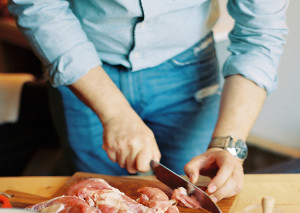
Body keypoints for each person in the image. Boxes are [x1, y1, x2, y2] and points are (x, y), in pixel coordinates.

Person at [8, 0, 288, 202]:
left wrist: (230, 144)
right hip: (84, 66)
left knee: (189, 196)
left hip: (189, 67)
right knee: (94, 196)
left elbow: (261, 33)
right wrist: (114, 112)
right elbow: (37, 5)